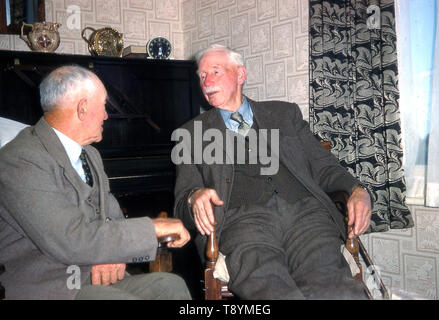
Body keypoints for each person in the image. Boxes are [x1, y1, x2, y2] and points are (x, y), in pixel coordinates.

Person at [173, 44, 372, 300]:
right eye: (201, 76)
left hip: (306, 218)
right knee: (271, 290)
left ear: (241, 75)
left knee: (335, 289)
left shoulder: (284, 114)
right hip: (244, 226)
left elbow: (324, 166)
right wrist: (194, 196)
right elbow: (181, 203)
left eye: (215, 71)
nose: (207, 81)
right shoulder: (190, 133)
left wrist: (356, 189)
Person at [0, 65, 192, 300]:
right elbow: (69, 239)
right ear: (82, 108)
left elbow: (113, 218)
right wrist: (153, 228)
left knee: (170, 286)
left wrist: (113, 253)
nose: (106, 115)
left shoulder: (89, 154)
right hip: (54, 285)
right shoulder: (20, 159)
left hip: (94, 277)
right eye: (103, 106)